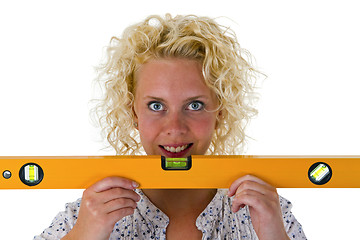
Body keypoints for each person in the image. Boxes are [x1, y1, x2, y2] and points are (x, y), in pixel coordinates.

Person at [34, 14, 307, 240]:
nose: (174, 128)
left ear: (220, 112)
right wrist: (83, 235)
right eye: (156, 106)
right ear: (133, 113)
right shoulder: (86, 214)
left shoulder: (264, 211)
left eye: (194, 105)